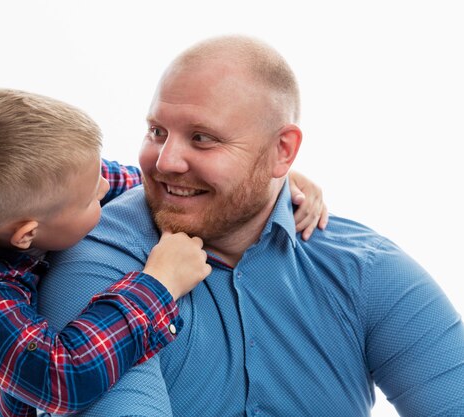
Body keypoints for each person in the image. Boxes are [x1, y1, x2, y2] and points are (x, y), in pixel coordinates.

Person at [37, 36, 464, 417]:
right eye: (157, 131)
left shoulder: (366, 269)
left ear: (283, 151)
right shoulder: (96, 263)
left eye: (203, 138)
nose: (165, 162)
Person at [0, 88, 325, 417]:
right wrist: (158, 286)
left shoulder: (13, 196)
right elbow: (63, 377)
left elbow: (134, 184)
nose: (108, 188)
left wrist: (260, 182)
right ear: (27, 234)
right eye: (91, 197)